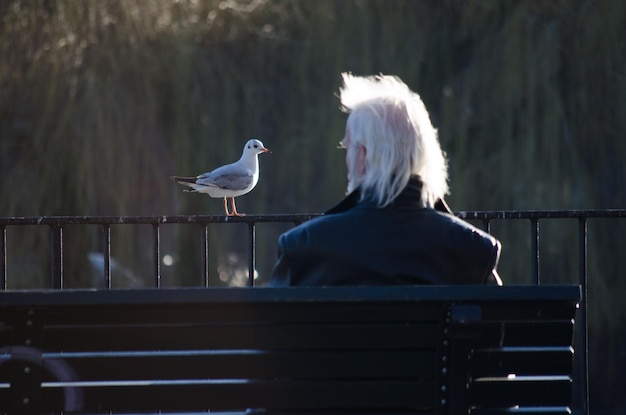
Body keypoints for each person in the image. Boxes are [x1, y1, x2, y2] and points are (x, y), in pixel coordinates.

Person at [270, 73, 502, 287]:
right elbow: (500, 328)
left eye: (347, 148)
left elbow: (270, 330)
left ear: (362, 156)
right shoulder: (474, 252)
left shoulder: (303, 248)